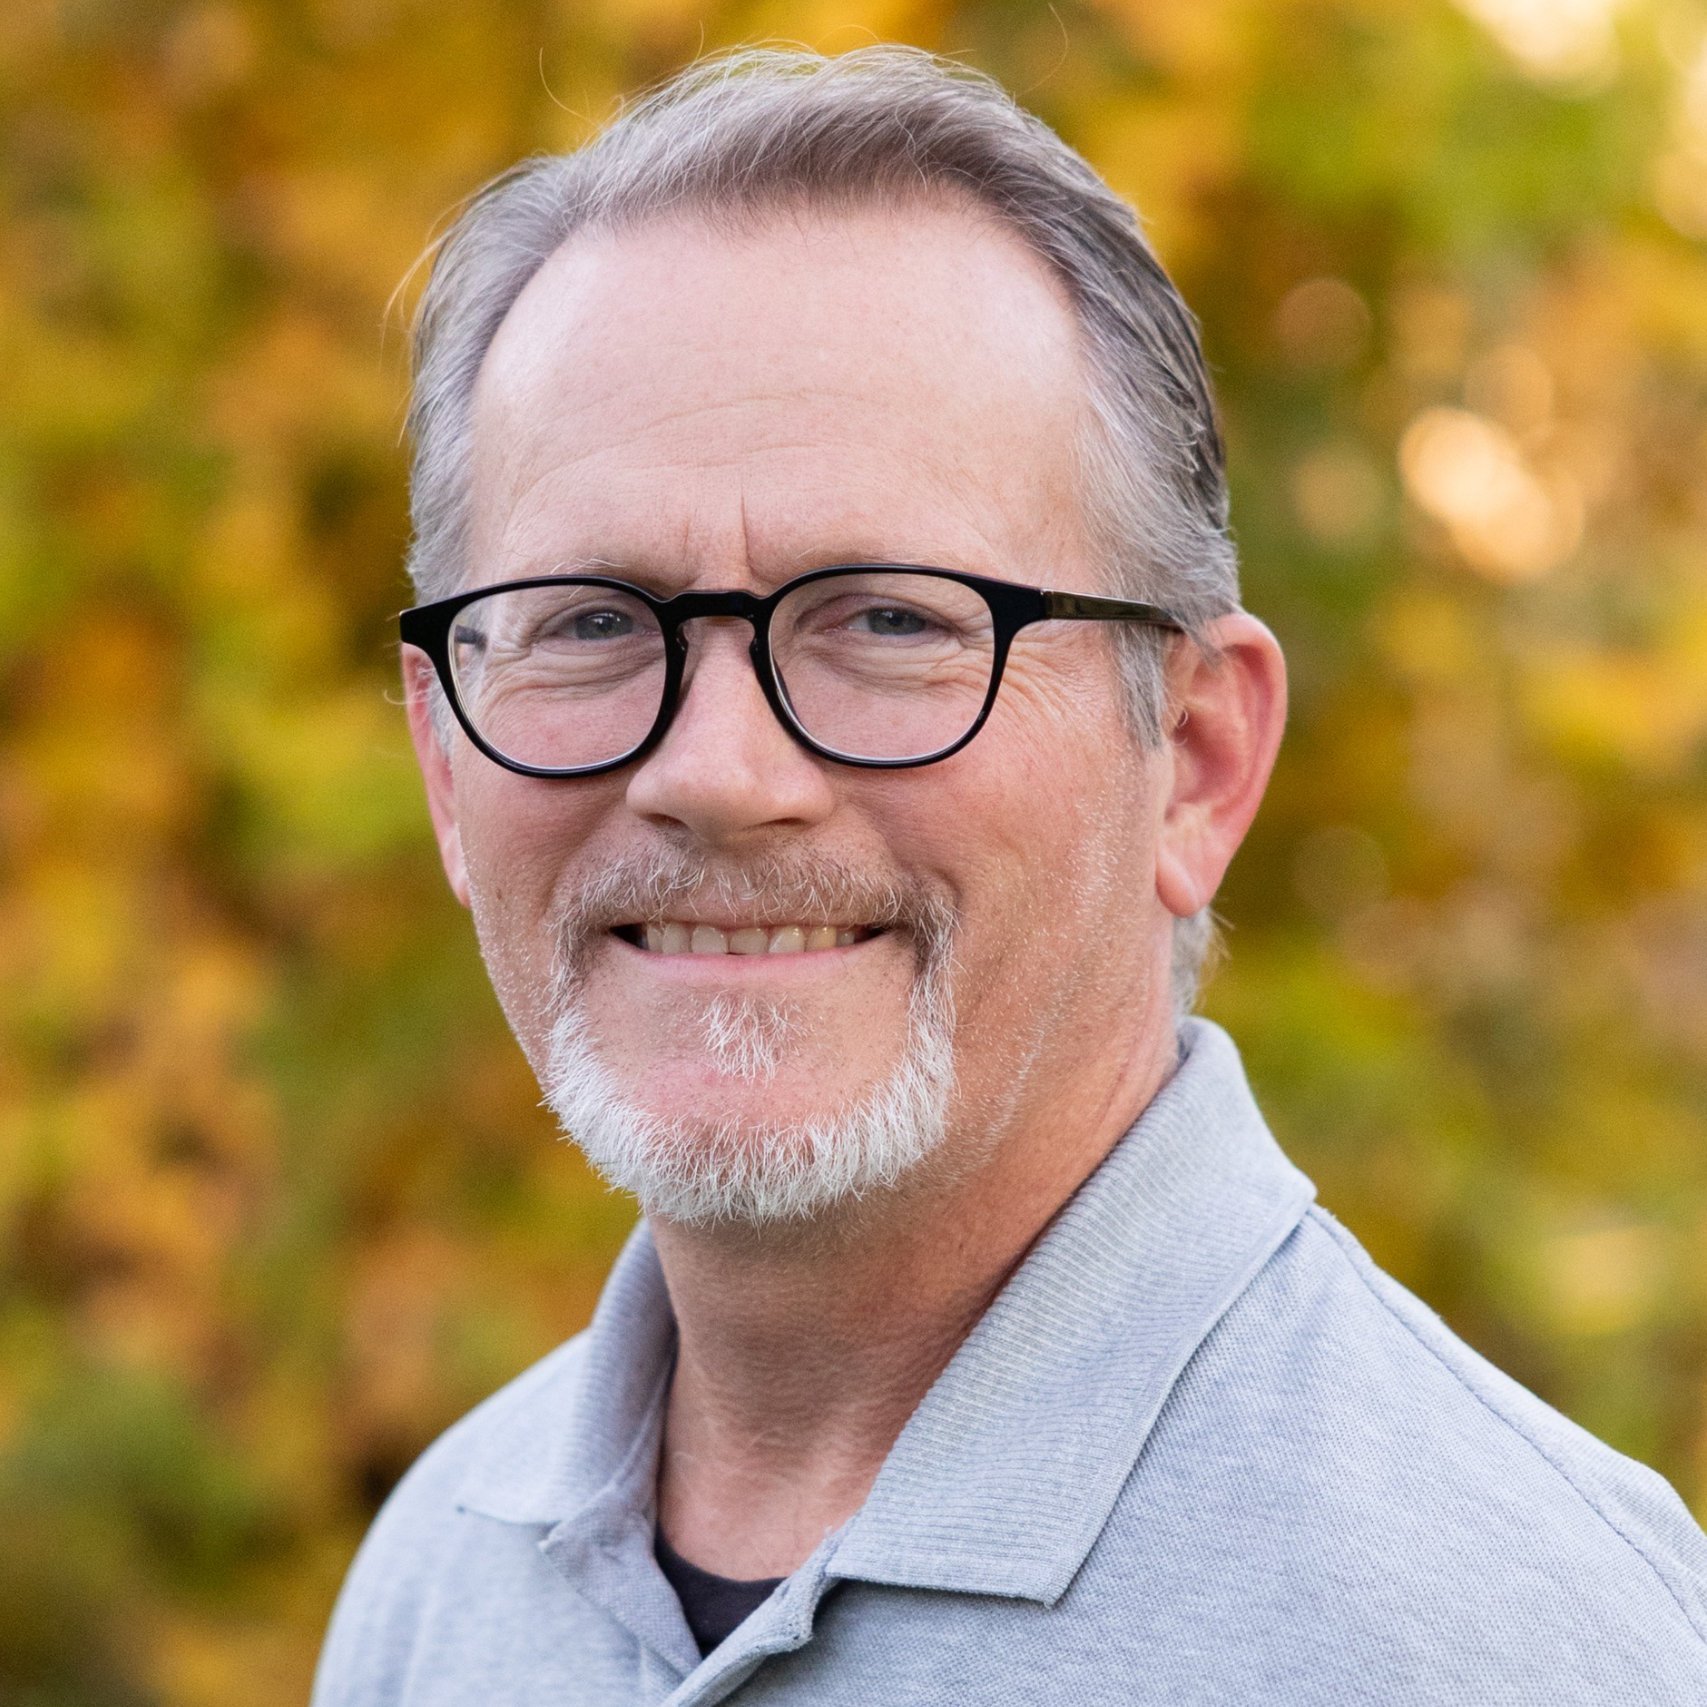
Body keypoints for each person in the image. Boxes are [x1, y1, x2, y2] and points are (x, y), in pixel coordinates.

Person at [311, 45, 1707, 1706]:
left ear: (1192, 760)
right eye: (593, 625)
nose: (717, 774)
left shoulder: (1506, 1644)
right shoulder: (442, 1586)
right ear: (448, 766)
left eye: (890, 620)